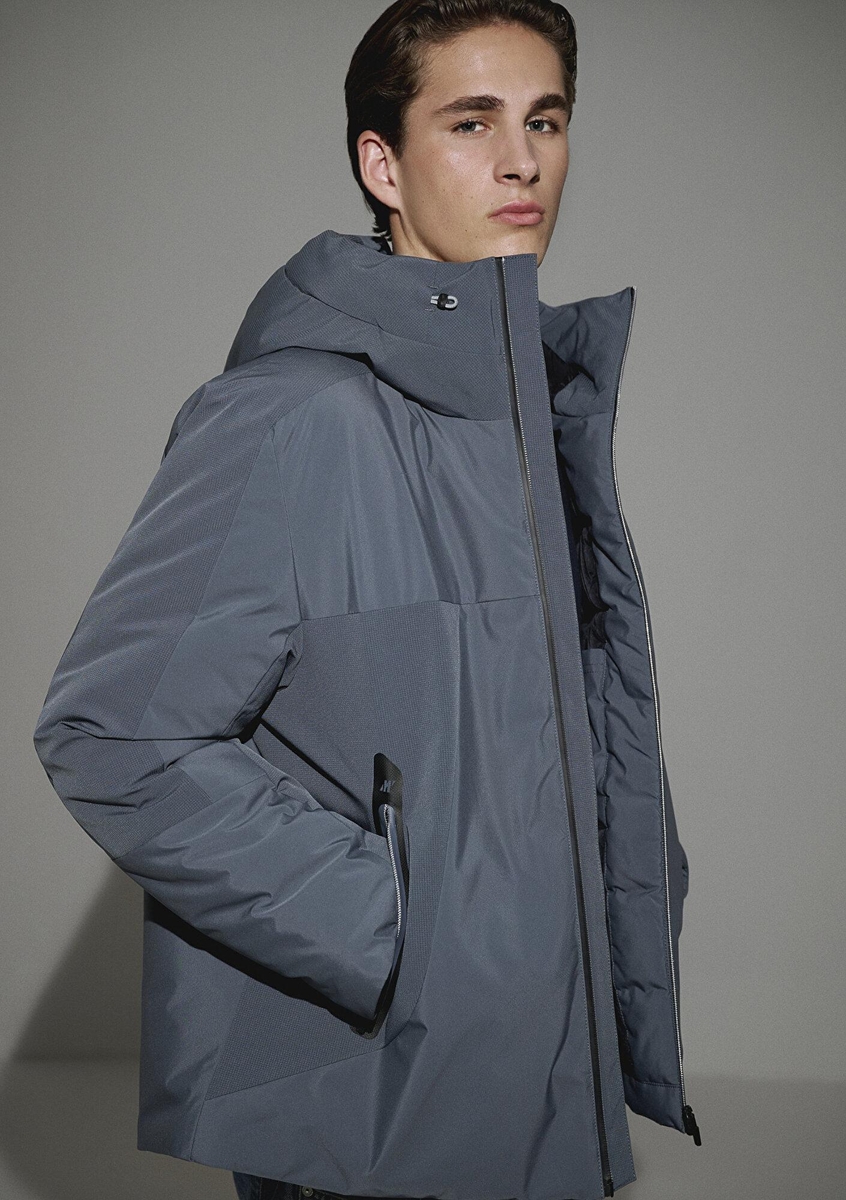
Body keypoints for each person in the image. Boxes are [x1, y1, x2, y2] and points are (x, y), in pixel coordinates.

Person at [32, 2, 701, 1198]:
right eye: (472, 122)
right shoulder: (294, 417)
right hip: (369, 1097)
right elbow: (112, 731)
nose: (521, 160)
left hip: (535, 1064)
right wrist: (394, 928)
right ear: (381, 165)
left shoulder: (525, 423)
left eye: (546, 121)